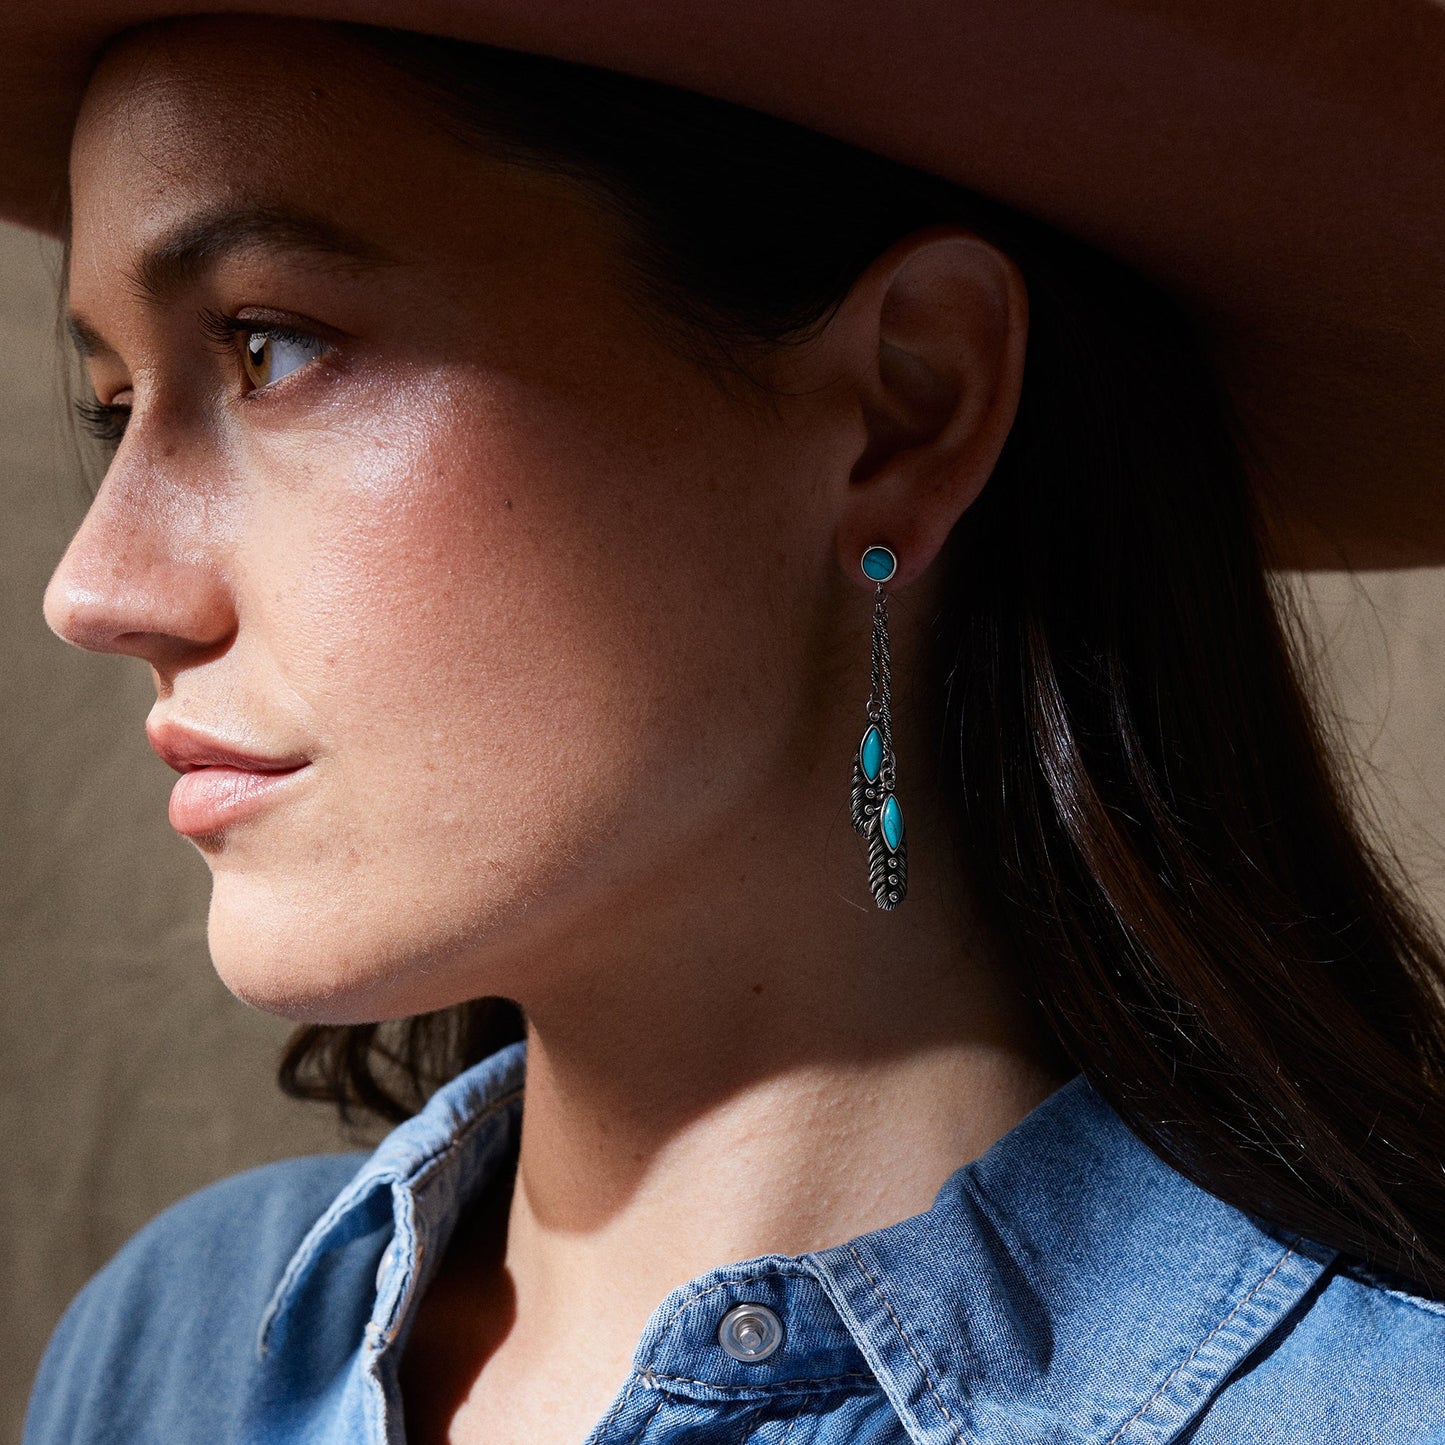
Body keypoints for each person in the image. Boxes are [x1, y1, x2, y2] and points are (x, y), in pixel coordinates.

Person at [11, 7, 1445, 1444]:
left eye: (268, 349)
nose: (97, 587)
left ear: (906, 405)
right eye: (117, 402)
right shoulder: (173, 1350)